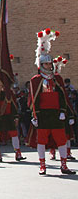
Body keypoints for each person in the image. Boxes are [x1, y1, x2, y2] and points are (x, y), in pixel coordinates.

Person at [27, 29, 75, 175]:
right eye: (46, 64)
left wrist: (64, 112)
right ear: (41, 65)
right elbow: (33, 98)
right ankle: (42, 165)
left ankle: (64, 165)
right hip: (42, 115)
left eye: (50, 64)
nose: (49, 66)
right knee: (41, 140)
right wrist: (35, 115)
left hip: (56, 114)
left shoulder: (57, 78)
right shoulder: (36, 80)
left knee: (61, 140)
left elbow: (63, 97)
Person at [0, 73, 25, 162]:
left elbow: (13, 105)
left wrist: (16, 116)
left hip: (8, 116)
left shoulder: (9, 91)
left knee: (14, 134)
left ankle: (18, 153)